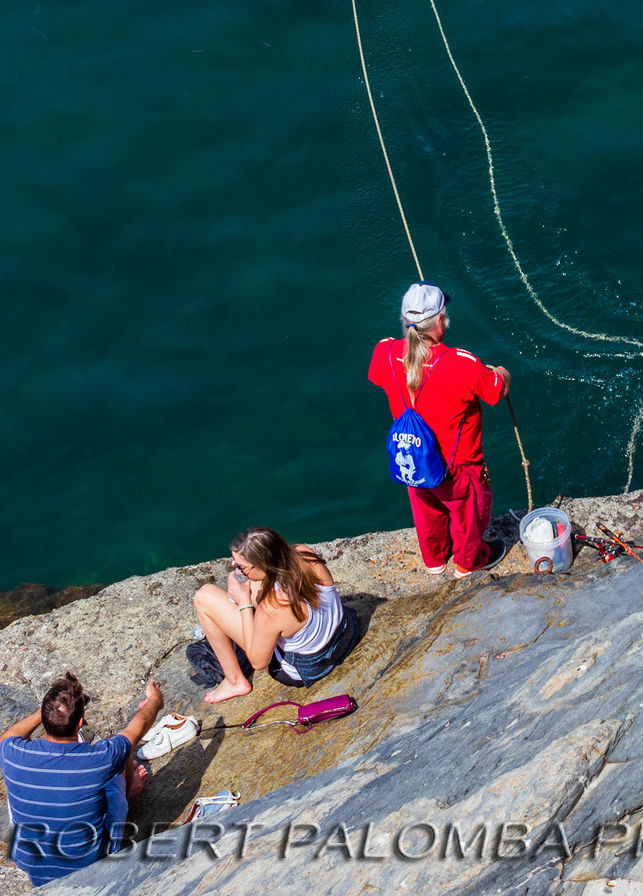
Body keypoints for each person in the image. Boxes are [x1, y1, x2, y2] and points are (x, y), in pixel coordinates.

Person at [367, 281, 509, 577]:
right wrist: (502, 373)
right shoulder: (462, 364)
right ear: (441, 323)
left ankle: (434, 561)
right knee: (467, 516)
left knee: (426, 511)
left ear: (405, 321)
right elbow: (496, 391)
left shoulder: (383, 352)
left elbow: (379, 376)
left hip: (415, 459)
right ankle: (470, 562)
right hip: (457, 466)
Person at [0, 670, 164, 885]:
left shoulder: (12, 753)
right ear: (80, 721)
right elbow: (136, 728)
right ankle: (127, 799)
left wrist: (44, 712)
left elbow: (5, 739)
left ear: (45, 718)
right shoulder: (100, 758)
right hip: (91, 867)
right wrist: (155, 701)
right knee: (120, 757)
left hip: (31, 866)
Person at [192, 528, 359, 707]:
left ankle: (234, 681)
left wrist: (244, 604)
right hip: (343, 635)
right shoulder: (304, 554)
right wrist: (247, 580)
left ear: (262, 564)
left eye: (241, 566)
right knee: (251, 585)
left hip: (307, 668)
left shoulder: (271, 608)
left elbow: (257, 661)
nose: (235, 566)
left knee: (204, 597)